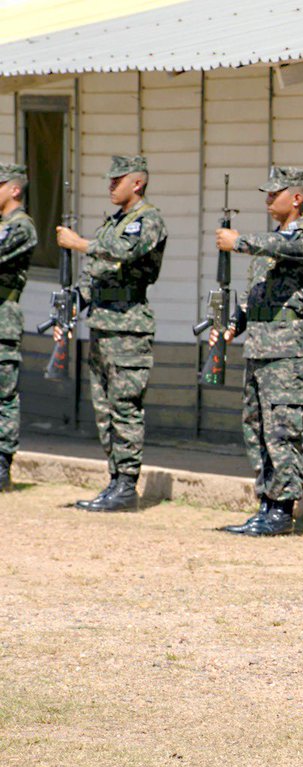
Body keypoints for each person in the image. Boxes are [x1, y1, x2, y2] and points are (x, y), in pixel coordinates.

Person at [211, 167, 303, 536]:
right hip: (259, 346)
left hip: (286, 350)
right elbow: (253, 295)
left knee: (282, 431)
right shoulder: (268, 242)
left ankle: (282, 509)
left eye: (275, 192)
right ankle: (266, 502)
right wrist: (232, 326)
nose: (267, 199)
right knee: (256, 429)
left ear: (296, 198)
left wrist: (238, 241)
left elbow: (281, 247)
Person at [57, 155, 167, 512]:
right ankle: (114, 478)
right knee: (103, 408)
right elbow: (94, 274)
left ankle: (126, 484)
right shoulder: (112, 223)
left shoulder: (147, 221)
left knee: (125, 407)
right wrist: (74, 304)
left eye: (116, 180)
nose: (110, 186)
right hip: (102, 323)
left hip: (129, 326)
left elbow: (125, 252)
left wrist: (79, 243)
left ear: (137, 183)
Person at [0, 163, 36, 491]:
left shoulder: (20, 226)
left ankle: (1, 463)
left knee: (3, 396)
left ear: (14, 190)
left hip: (3, 323)